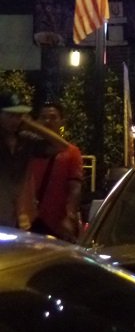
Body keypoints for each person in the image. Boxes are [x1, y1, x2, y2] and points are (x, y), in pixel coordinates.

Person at [0, 92, 71, 231]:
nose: (15, 120)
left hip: (13, 218)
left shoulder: (25, 141)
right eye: (10, 115)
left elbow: (62, 146)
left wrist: (32, 125)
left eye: (19, 116)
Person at [29, 101, 84, 241]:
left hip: (57, 224)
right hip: (29, 221)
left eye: (53, 117)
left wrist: (69, 216)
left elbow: (75, 188)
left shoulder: (71, 152)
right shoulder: (27, 150)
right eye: (43, 117)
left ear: (62, 121)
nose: (48, 121)